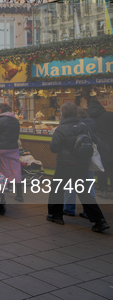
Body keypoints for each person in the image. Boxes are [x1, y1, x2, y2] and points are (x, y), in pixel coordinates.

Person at [47, 102, 109, 232]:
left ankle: (56, 216)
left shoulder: (60, 129)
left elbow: (54, 148)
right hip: (82, 163)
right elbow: (96, 140)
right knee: (84, 192)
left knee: (57, 189)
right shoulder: (84, 126)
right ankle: (99, 220)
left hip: (64, 163)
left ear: (63, 113)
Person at [63, 107, 97, 218]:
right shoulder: (90, 125)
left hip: (74, 159)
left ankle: (69, 208)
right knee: (88, 184)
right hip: (88, 158)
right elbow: (97, 140)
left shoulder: (71, 126)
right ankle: (89, 211)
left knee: (70, 184)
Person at [0, 104, 24, 202]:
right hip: (13, 148)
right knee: (15, 169)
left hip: (0, 148)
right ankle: (19, 194)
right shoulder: (15, 121)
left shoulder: (1, 121)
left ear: (0, 111)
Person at [87, 99, 113, 199]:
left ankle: (103, 191)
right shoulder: (109, 115)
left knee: (102, 169)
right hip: (112, 144)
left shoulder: (90, 118)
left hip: (100, 146)